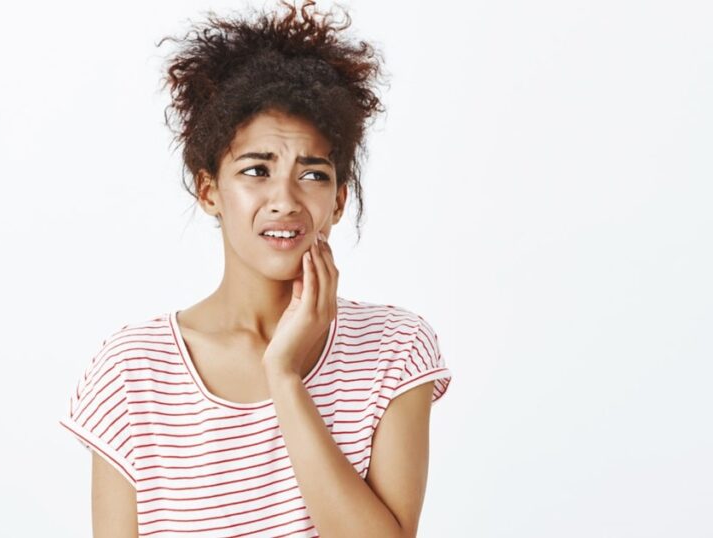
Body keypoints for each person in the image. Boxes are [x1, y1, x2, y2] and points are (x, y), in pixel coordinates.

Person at [57, 1, 453, 536]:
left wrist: (284, 376)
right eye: (256, 170)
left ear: (339, 200)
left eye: (312, 174)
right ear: (209, 190)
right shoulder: (134, 373)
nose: (285, 200)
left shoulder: (395, 349)